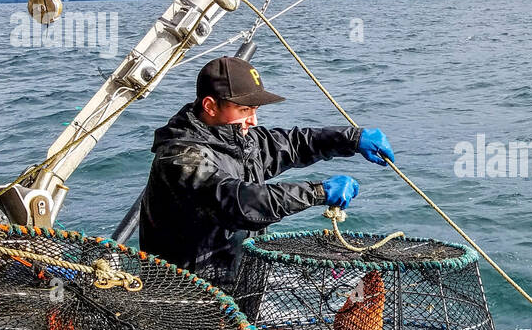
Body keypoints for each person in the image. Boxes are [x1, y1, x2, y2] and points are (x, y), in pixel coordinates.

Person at [138, 56, 394, 288]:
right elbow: (239, 202)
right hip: (185, 293)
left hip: (237, 280)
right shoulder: (181, 157)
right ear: (210, 106)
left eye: (255, 110)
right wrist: (317, 192)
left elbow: (294, 144)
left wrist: (352, 138)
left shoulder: (240, 140)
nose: (253, 121)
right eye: (244, 110)